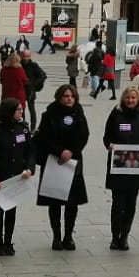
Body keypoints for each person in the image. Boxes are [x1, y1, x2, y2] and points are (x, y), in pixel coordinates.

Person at [36, 83, 90, 251]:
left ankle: (68, 236)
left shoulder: (79, 113)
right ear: (59, 98)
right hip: (54, 160)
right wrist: (59, 151)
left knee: (71, 202)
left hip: (73, 161)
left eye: (72, 96)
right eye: (66, 96)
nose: (69, 99)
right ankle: (56, 236)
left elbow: (84, 135)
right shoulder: (50, 114)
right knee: (55, 201)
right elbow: (44, 137)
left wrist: (72, 152)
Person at [0, 98, 33, 255]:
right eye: (18, 110)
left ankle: (8, 241)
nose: (21, 112)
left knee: (11, 210)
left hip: (17, 176)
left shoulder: (23, 129)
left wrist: (29, 168)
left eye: (22, 109)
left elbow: (30, 152)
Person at [104, 85, 139, 250]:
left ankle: (124, 236)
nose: (131, 100)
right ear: (123, 99)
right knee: (118, 203)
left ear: (138, 99)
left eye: (133, 98)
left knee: (131, 202)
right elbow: (107, 136)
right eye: (128, 98)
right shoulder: (116, 113)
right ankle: (114, 236)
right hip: (118, 165)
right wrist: (109, 145)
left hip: (136, 166)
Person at [20, 49, 47, 128]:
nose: (26, 58)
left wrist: (34, 84)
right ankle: (23, 125)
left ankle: (33, 127)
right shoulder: (20, 65)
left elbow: (42, 75)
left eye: (28, 56)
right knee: (22, 109)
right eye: (25, 56)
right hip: (22, 89)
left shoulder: (34, 65)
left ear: (30, 56)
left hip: (31, 90)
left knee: (31, 109)